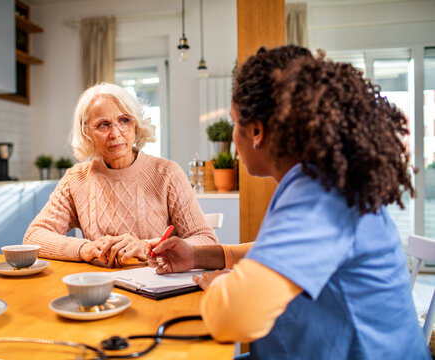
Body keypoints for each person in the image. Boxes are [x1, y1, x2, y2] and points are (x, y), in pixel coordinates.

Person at [148, 45, 430, 359]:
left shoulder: (319, 194)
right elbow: (273, 251)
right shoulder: (323, 179)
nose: (232, 139)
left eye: (233, 123)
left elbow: (234, 317)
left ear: (256, 130)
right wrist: (199, 256)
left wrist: (217, 285)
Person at [24, 83, 217, 267]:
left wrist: (147, 246)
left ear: (135, 125)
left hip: (156, 284)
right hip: (100, 284)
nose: (116, 133)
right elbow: (34, 236)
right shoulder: (76, 179)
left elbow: (206, 239)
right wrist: (83, 248)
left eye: (124, 120)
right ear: (86, 133)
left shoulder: (167, 173)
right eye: (103, 124)